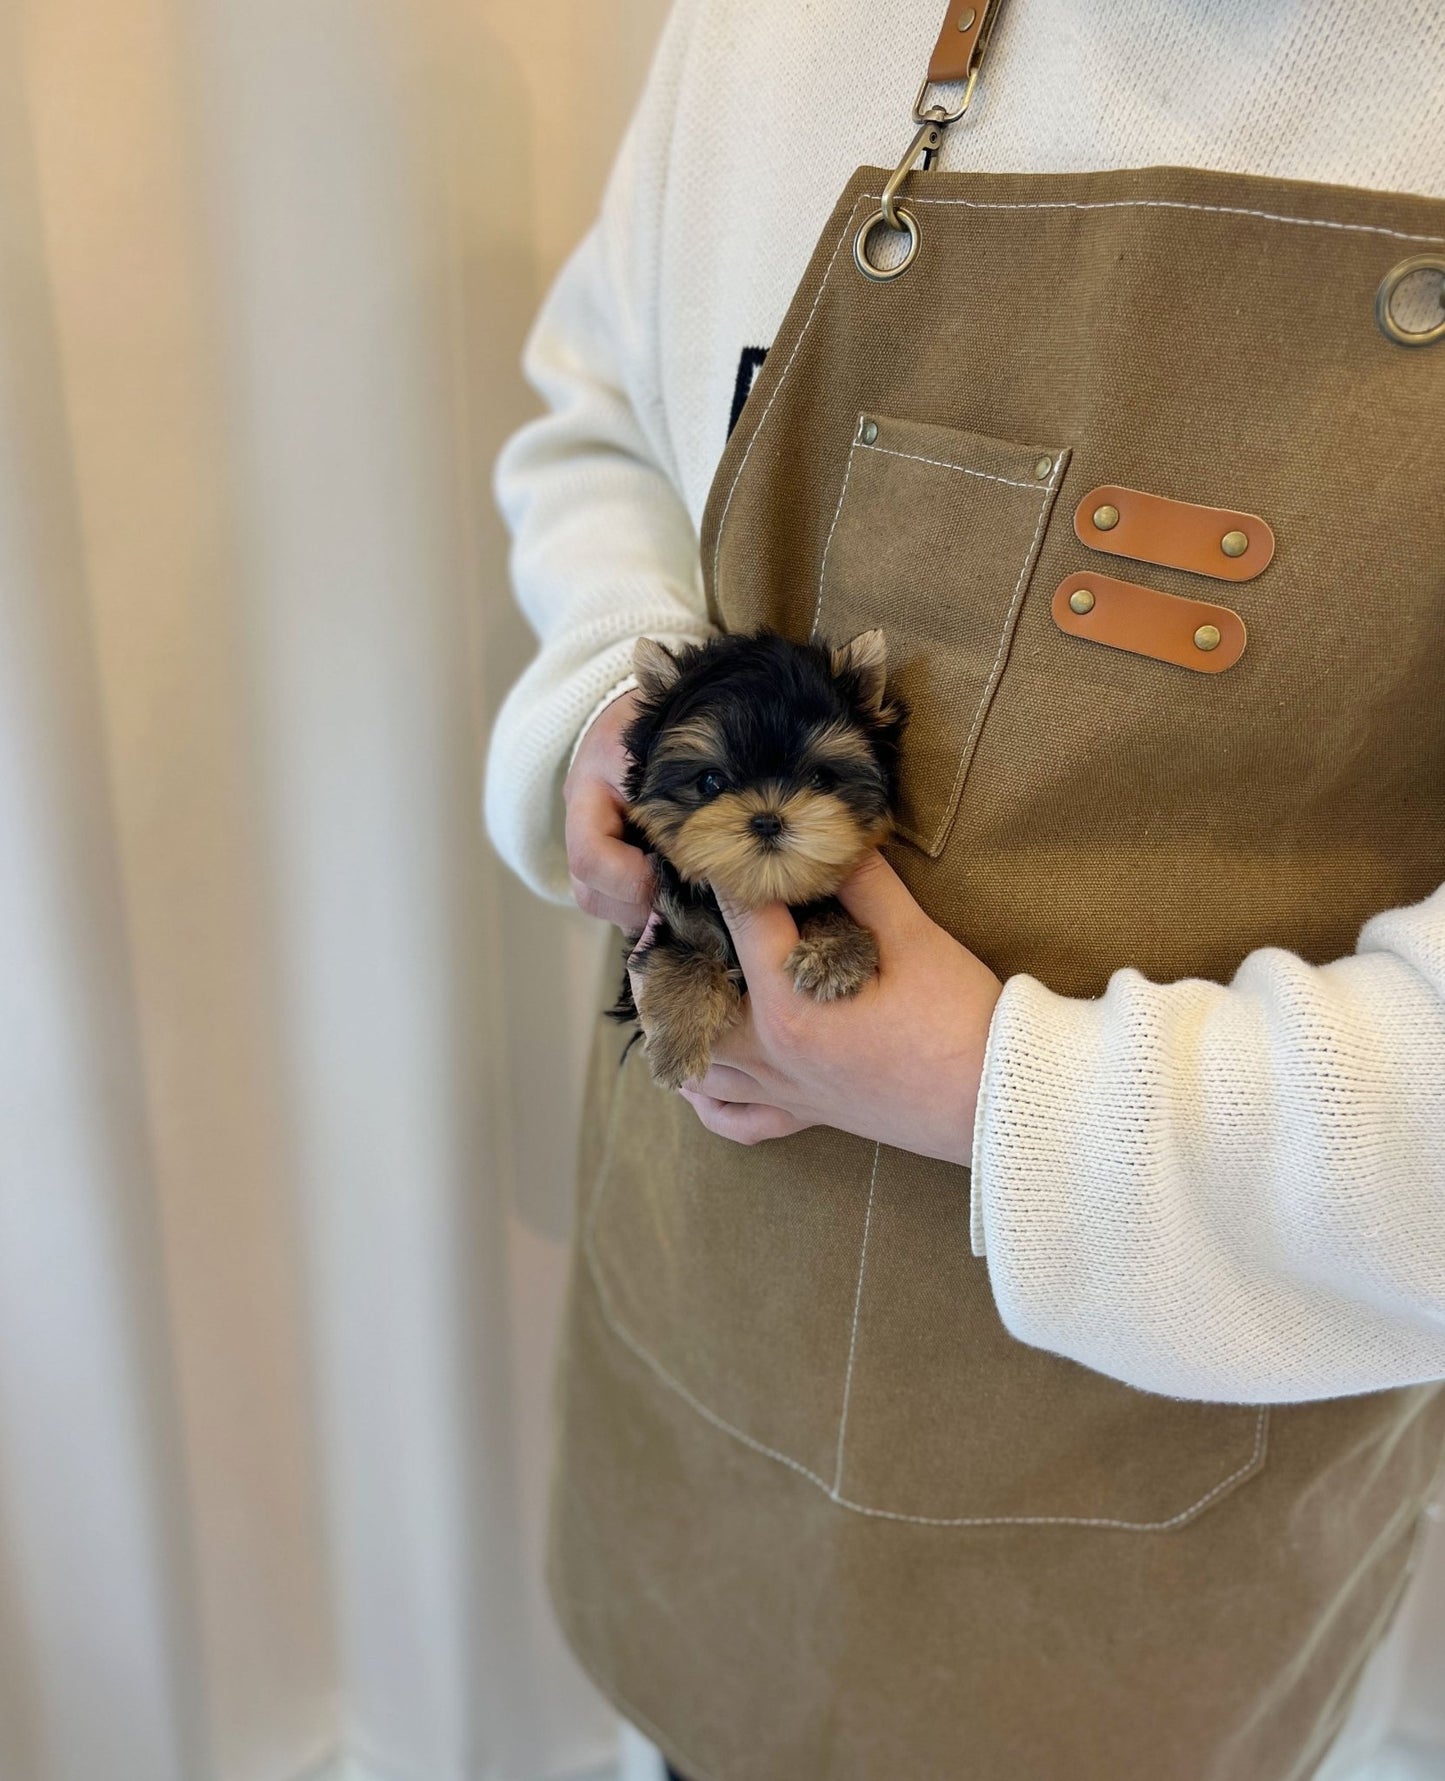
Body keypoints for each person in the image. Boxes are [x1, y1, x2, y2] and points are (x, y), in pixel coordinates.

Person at [485, 2, 1445, 1775]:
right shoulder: (774, 30)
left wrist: (1000, 1089)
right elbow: (603, 409)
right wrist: (596, 722)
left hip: (1159, 1512)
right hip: (712, 1328)